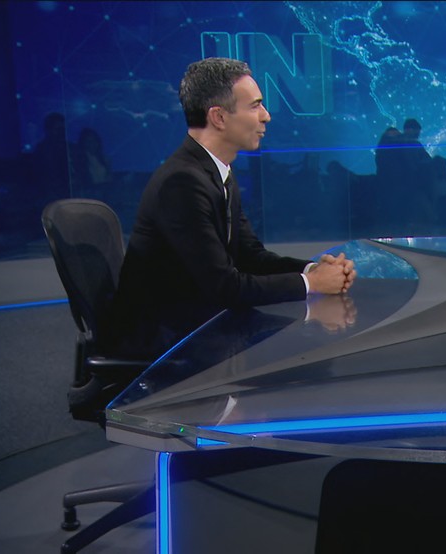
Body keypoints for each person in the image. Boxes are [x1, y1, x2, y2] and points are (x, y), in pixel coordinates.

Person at [106, 57, 356, 360]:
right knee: (312, 352)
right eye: (255, 106)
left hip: (206, 318)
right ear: (219, 117)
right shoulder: (181, 183)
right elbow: (223, 286)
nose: (266, 116)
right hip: (169, 336)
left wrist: (312, 270)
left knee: (316, 342)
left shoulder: (216, 172)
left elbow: (250, 256)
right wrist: (311, 284)